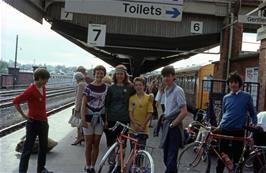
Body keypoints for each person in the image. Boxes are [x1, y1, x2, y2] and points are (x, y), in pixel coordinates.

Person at [214, 72, 257, 173]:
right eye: (231, 82)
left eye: (236, 82)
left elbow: (252, 113)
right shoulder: (226, 97)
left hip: (238, 130)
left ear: (239, 84)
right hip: (225, 129)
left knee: (238, 157)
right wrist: (219, 125)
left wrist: (254, 122)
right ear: (228, 84)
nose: (233, 84)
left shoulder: (247, 96)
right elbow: (223, 114)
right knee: (222, 155)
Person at [13, 68, 53, 173]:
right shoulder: (30, 90)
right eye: (45, 79)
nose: (46, 82)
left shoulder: (43, 88)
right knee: (27, 149)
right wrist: (24, 116)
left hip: (44, 122)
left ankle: (41, 169)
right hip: (33, 123)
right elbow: (16, 101)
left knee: (43, 147)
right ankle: (22, 171)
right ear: (39, 78)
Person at [105, 64, 134, 172]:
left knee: (123, 144)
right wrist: (106, 120)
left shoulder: (130, 87)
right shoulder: (111, 88)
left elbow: (137, 97)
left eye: (121, 74)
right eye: (117, 73)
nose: (119, 76)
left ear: (125, 75)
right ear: (115, 75)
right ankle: (111, 165)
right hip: (112, 119)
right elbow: (106, 105)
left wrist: (149, 97)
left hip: (124, 119)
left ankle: (119, 166)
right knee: (111, 144)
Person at [159, 66, 188, 173]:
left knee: (171, 157)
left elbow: (184, 111)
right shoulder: (166, 89)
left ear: (173, 76)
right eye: (164, 76)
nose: (166, 78)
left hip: (174, 128)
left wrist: (172, 124)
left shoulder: (178, 90)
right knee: (166, 156)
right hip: (167, 124)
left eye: (168, 76)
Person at [81, 65, 108, 173]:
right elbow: (84, 104)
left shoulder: (106, 88)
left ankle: (93, 166)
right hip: (88, 118)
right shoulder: (88, 87)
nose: (99, 75)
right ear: (94, 74)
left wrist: (106, 120)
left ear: (104, 75)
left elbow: (106, 105)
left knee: (96, 143)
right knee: (88, 143)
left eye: (101, 73)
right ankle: (87, 165)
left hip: (100, 119)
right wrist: (83, 119)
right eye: (98, 73)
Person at [129, 77, 153, 149]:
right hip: (133, 129)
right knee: (133, 150)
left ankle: (139, 160)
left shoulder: (148, 98)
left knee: (141, 151)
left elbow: (150, 113)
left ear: (144, 86)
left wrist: (143, 125)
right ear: (134, 86)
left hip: (143, 129)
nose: (138, 87)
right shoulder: (131, 98)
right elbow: (130, 113)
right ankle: (133, 160)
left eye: (140, 85)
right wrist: (135, 125)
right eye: (136, 85)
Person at [71, 72, 87, 145]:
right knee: (82, 122)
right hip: (85, 107)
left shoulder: (80, 85)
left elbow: (79, 98)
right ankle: (82, 136)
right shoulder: (85, 83)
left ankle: (79, 137)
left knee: (77, 123)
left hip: (80, 107)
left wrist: (76, 109)